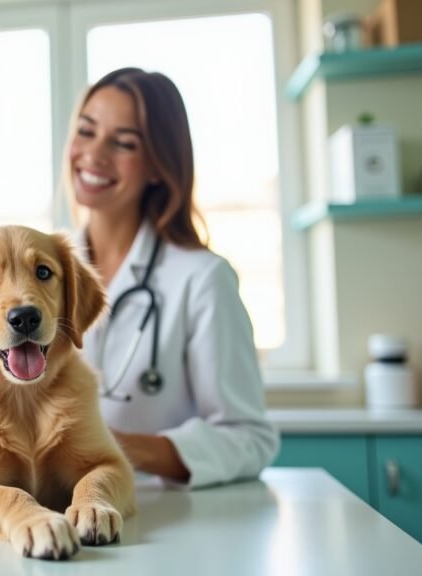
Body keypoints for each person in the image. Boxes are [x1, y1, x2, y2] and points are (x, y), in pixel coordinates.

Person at [64, 67, 279, 488]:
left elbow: (249, 438)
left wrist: (118, 446)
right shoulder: (44, 274)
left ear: (158, 165)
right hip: (53, 513)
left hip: (157, 515)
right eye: (86, 131)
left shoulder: (202, 279)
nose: (94, 154)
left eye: (123, 143)